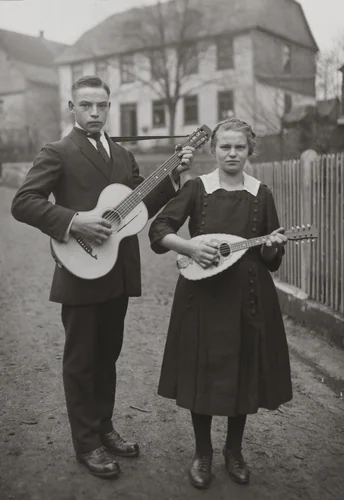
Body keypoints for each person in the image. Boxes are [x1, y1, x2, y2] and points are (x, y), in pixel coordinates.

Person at [11, 75, 194, 479]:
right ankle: (87, 443)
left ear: (109, 107)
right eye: (87, 105)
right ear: (72, 107)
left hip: (117, 269)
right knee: (81, 360)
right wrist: (74, 221)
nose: (95, 112)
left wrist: (172, 176)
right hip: (80, 267)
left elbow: (137, 205)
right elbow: (23, 203)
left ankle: (104, 428)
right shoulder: (56, 151)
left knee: (107, 355)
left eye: (102, 106)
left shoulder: (123, 155)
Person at [148, 117, 292, 489]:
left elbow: (270, 258)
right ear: (213, 150)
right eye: (225, 146)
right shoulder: (197, 188)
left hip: (248, 296)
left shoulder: (261, 192)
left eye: (239, 147)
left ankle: (234, 451)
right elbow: (159, 230)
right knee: (203, 371)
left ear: (249, 151)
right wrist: (190, 246)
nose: (232, 153)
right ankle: (203, 453)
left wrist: (274, 248)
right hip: (203, 293)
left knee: (241, 372)